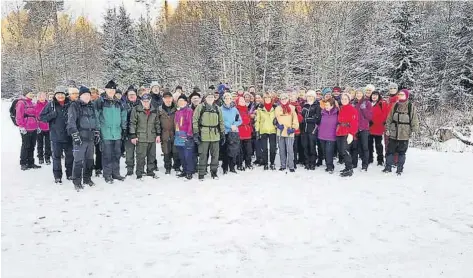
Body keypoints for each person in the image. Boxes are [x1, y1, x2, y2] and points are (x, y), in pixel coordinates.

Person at [67, 86, 99, 191]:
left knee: (89, 160)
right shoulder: (74, 106)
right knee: (78, 161)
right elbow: (71, 122)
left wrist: (97, 133)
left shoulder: (92, 106)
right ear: (80, 96)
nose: (87, 97)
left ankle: (87, 178)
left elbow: (96, 120)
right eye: (84, 95)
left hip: (90, 137)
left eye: (88, 95)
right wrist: (75, 135)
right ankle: (77, 181)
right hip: (80, 138)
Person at [95, 80, 127, 184]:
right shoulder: (100, 102)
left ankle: (116, 173)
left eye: (113, 89)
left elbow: (123, 116)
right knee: (107, 155)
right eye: (109, 89)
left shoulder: (119, 102)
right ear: (106, 90)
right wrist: (98, 130)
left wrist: (124, 128)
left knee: (116, 154)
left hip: (117, 132)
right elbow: (97, 116)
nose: (111, 91)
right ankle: (107, 174)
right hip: (106, 132)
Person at [40, 86, 73, 184]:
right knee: (56, 157)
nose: (60, 96)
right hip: (56, 136)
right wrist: (51, 115)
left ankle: (70, 173)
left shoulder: (70, 104)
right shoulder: (50, 105)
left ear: (65, 95)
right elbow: (41, 117)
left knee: (70, 156)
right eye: (58, 94)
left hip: (68, 136)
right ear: (55, 95)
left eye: (62, 94)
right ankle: (57, 176)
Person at [383, 89, 419, 175]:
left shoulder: (410, 106)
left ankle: (400, 169)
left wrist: (414, 131)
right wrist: (387, 128)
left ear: (406, 96)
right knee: (390, 151)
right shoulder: (395, 105)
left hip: (404, 132)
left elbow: (414, 120)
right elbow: (389, 118)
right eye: (399, 94)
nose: (400, 96)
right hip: (393, 132)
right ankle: (388, 167)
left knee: (402, 152)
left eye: (402, 94)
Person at [193, 92, 225, 180]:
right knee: (203, 154)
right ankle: (202, 172)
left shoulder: (217, 108)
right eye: (208, 97)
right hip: (204, 134)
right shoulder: (200, 107)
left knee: (215, 155)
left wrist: (222, 133)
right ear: (205, 98)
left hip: (215, 134)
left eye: (212, 97)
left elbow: (221, 121)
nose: (210, 98)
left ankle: (214, 172)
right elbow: (195, 120)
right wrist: (196, 132)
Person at [129, 94, 161, 179]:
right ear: (141, 101)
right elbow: (132, 123)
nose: (146, 103)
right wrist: (133, 135)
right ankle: (139, 173)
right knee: (140, 156)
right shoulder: (136, 110)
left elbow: (157, 123)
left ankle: (150, 171)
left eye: (147, 101)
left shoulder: (154, 110)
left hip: (152, 136)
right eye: (144, 101)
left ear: (150, 101)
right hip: (141, 137)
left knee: (152, 156)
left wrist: (158, 135)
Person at [16, 88, 41, 170]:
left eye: (32, 93)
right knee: (25, 145)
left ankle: (31, 162)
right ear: (25, 94)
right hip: (25, 128)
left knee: (32, 146)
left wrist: (37, 126)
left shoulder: (32, 103)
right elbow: (19, 116)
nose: (32, 94)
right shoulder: (21, 103)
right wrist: (21, 126)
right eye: (30, 93)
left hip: (34, 127)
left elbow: (36, 115)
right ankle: (23, 163)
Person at [275, 93, 299, 172]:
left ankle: (291, 166)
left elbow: (295, 119)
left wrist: (293, 128)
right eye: (282, 99)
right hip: (281, 132)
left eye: (285, 98)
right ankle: (283, 165)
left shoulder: (292, 108)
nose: (284, 100)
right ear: (280, 100)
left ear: (288, 99)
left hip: (289, 132)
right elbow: (275, 119)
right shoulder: (277, 108)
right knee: (281, 149)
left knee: (290, 150)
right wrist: (277, 125)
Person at [336, 93, 359, 177]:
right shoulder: (341, 108)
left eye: (346, 99)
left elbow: (354, 122)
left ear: (349, 100)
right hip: (340, 131)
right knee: (341, 151)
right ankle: (347, 167)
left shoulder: (352, 109)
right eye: (342, 99)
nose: (344, 100)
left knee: (345, 150)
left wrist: (351, 134)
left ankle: (349, 168)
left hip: (347, 132)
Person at [158, 90, 180, 175]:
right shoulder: (160, 109)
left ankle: (177, 166)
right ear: (163, 99)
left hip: (175, 133)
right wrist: (158, 134)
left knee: (176, 151)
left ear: (172, 99)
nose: (168, 100)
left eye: (169, 98)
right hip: (165, 133)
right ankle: (167, 167)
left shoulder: (176, 108)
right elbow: (157, 122)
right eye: (166, 98)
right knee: (166, 151)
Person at [173, 94, 195, 180]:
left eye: (183, 101)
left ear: (186, 102)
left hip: (186, 135)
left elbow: (190, 122)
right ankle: (184, 170)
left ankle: (189, 171)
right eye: (179, 101)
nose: (181, 103)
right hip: (178, 135)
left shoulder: (189, 111)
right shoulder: (177, 112)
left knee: (188, 155)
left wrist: (189, 134)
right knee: (181, 155)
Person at [220, 92, 242, 174]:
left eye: (229, 98)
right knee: (225, 150)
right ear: (223, 99)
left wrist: (234, 125)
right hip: (225, 132)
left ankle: (232, 167)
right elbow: (221, 120)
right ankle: (225, 168)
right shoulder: (220, 109)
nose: (227, 100)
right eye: (226, 98)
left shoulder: (234, 109)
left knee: (233, 150)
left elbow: (239, 120)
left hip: (233, 132)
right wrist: (229, 126)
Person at [351, 88, 373, 171]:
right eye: (357, 93)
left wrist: (364, 109)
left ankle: (365, 165)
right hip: (355, 128)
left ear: (363, 94)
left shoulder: (367, 103)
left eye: (360, 93)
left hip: (364, 128)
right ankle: (354, 163)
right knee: (355, 147)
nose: (358, 95)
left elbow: (369, 117)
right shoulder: (353, 103)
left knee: (365, 147)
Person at [255, 93, 277, 170]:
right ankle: (265, 163)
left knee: (273, 148)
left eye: (269, 97)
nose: (267, 99)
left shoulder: (275, 107)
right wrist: (257, 130)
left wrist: (276, 121)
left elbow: (278, 117)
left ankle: (272, 162)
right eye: (266, 97)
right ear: (264, 99)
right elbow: (257, 120)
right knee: (264, 148)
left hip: (272, 130)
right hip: (263, 130)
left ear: (271, 99)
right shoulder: (260, 108)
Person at [301, 90, 321, 170]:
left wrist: (306, 120)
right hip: (304, 129)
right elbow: (301, 116)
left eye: (311, 96)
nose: (309, 98)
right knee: (305, 146)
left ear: (314, 97)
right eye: (308, 96)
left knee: (312, 146)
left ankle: (312, 162)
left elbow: (317, 118)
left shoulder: (317, 106)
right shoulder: (304, 105)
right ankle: (307, 162)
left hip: (312, 129)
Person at [123, 86, 141, 176]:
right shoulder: (123, 105)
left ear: (136, 95)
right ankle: (129, 169)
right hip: (128, 133)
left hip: (140, 132)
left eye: (133, 94)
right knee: (129, 153)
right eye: (129, 95)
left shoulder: (141, 105)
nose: (131, 96)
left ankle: (140, 169)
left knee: (140, 153)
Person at [318, 98, 338, 173]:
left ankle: (330, 167)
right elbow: (318, 122)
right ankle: (328, 165)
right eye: (325, 105)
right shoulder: (322, 112)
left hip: (331, 136)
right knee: (324, 152)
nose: (326, 106)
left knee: (329, 151)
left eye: (328, 105)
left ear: (332, 105)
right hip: (322, 135)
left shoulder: (336, 113)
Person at [369, 91, 388, 165]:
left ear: (378, 96)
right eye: (373, 95)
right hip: (369, 128)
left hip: (378, 127)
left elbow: (385, 114)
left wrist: (378, 122)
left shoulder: (382, 103)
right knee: (369, 144)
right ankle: (370, 158)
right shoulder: (368, 103)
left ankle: (380, 160)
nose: (374, 97)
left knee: (378, 145)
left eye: (376, 95)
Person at [236, 96, 253, 170]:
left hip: (247, 132)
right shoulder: (236, 110)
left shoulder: (246, 110)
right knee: (240, 150)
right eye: (241, 101)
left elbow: (249, 120)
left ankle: (248, 163)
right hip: (240, 132)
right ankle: (239, 164)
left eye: (243, 101)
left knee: (248, 150)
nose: (243, 102)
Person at [385, 82, 400, 165]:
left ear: (396, 90)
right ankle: (388, 160)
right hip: (387, 124)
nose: (392, 90)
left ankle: (396, 161)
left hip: (396, 125)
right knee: (387, 143)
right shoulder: (387, 100)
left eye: (394, 88)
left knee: (395, 143)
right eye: (390, 88)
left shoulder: (399, 100)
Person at [35, 91, 51, 165]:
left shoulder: (49, 105)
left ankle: (47, 157)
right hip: (39, 128)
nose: (42, 98)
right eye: (40, 96)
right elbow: (34, 117)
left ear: (46, 97)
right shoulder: (35, 105)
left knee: (48, 144)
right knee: (40, 143)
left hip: (48, 128)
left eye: (43, 96)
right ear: (38, 97)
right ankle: (40, 157)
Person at [290, 91, 304, 168]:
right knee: (290, 146)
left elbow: (301, 119)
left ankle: (295, 160)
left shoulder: (298, 106)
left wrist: (296, 113)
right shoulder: (287, 105)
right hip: (288, 129)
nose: (292, 97)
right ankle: (291, 160)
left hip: (296, 130)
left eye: (293, 96)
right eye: (291, 96)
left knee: (295, 146)